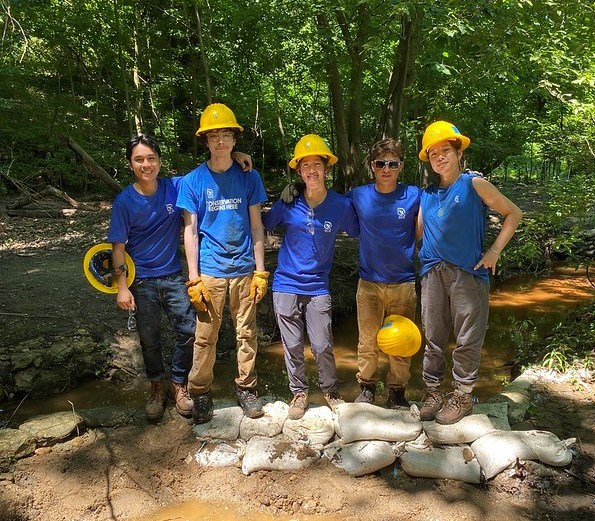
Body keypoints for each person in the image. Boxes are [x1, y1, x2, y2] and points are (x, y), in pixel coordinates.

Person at [416, 120, 522, 425]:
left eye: (445, 150)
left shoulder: (475, 184)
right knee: (433, 338)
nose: (439, 157)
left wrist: (494, 251)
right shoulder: (427, 195)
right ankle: (434, 393)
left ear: (458, 152)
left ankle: (462, 396)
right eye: (433, 153)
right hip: (432, 273)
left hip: (467, 274)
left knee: (467, 339)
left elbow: (514, 213)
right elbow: (417, 234)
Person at [176, 103, 268, 424]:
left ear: (234, 138)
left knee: (247, 333)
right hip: (210, 271)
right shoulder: (192, 182)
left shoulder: (249, 176)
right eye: (214, 135)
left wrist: (260, 270)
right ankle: (200, 393)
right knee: (205, 336)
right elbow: (189, 230)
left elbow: (257, 225)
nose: (221, 142)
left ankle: (246, 387)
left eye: (226, 134)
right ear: (205, 140)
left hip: (244, 269)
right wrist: (193, 278)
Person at [262, 134, 359, 419]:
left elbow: (360, 229)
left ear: (326, 168)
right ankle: (299, 393)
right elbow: (264, 223)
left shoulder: (340, 206)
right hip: (285, 284)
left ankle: (330, 391)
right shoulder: (289, 202)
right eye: (306, 166)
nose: (312, 170)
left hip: (318, 285)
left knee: (322, 344)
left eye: (317, 164)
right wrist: (279, 195)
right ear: (299, 171)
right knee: (291, 345)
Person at [108, 134, 196, 421]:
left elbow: (209, 168)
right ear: (130, 164)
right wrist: (122, 288)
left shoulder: (174, 187)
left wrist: (237, 154)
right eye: (139, 159)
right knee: (149, 338)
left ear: (159, 160)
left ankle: (178, 384)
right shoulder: (124, 201)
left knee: (189, 330)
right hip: (141, 282)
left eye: (151, 158)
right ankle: (157, 387)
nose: (146, 164)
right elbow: (118, 247)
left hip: (172, 276)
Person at [346, 139, 421, 408]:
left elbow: (443, 199)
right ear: (372, 167)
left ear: (401, 166)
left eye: (392, 163)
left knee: (401, 342)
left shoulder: (414, 195)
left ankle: (397, 391)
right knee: (367, 341)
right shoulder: (359, 195)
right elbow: (323, 200)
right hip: (369, 283)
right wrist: (296, 188)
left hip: (403, 283)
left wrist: (469, 181)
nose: (386, 169)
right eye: (380, 164)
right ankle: (366, 387)